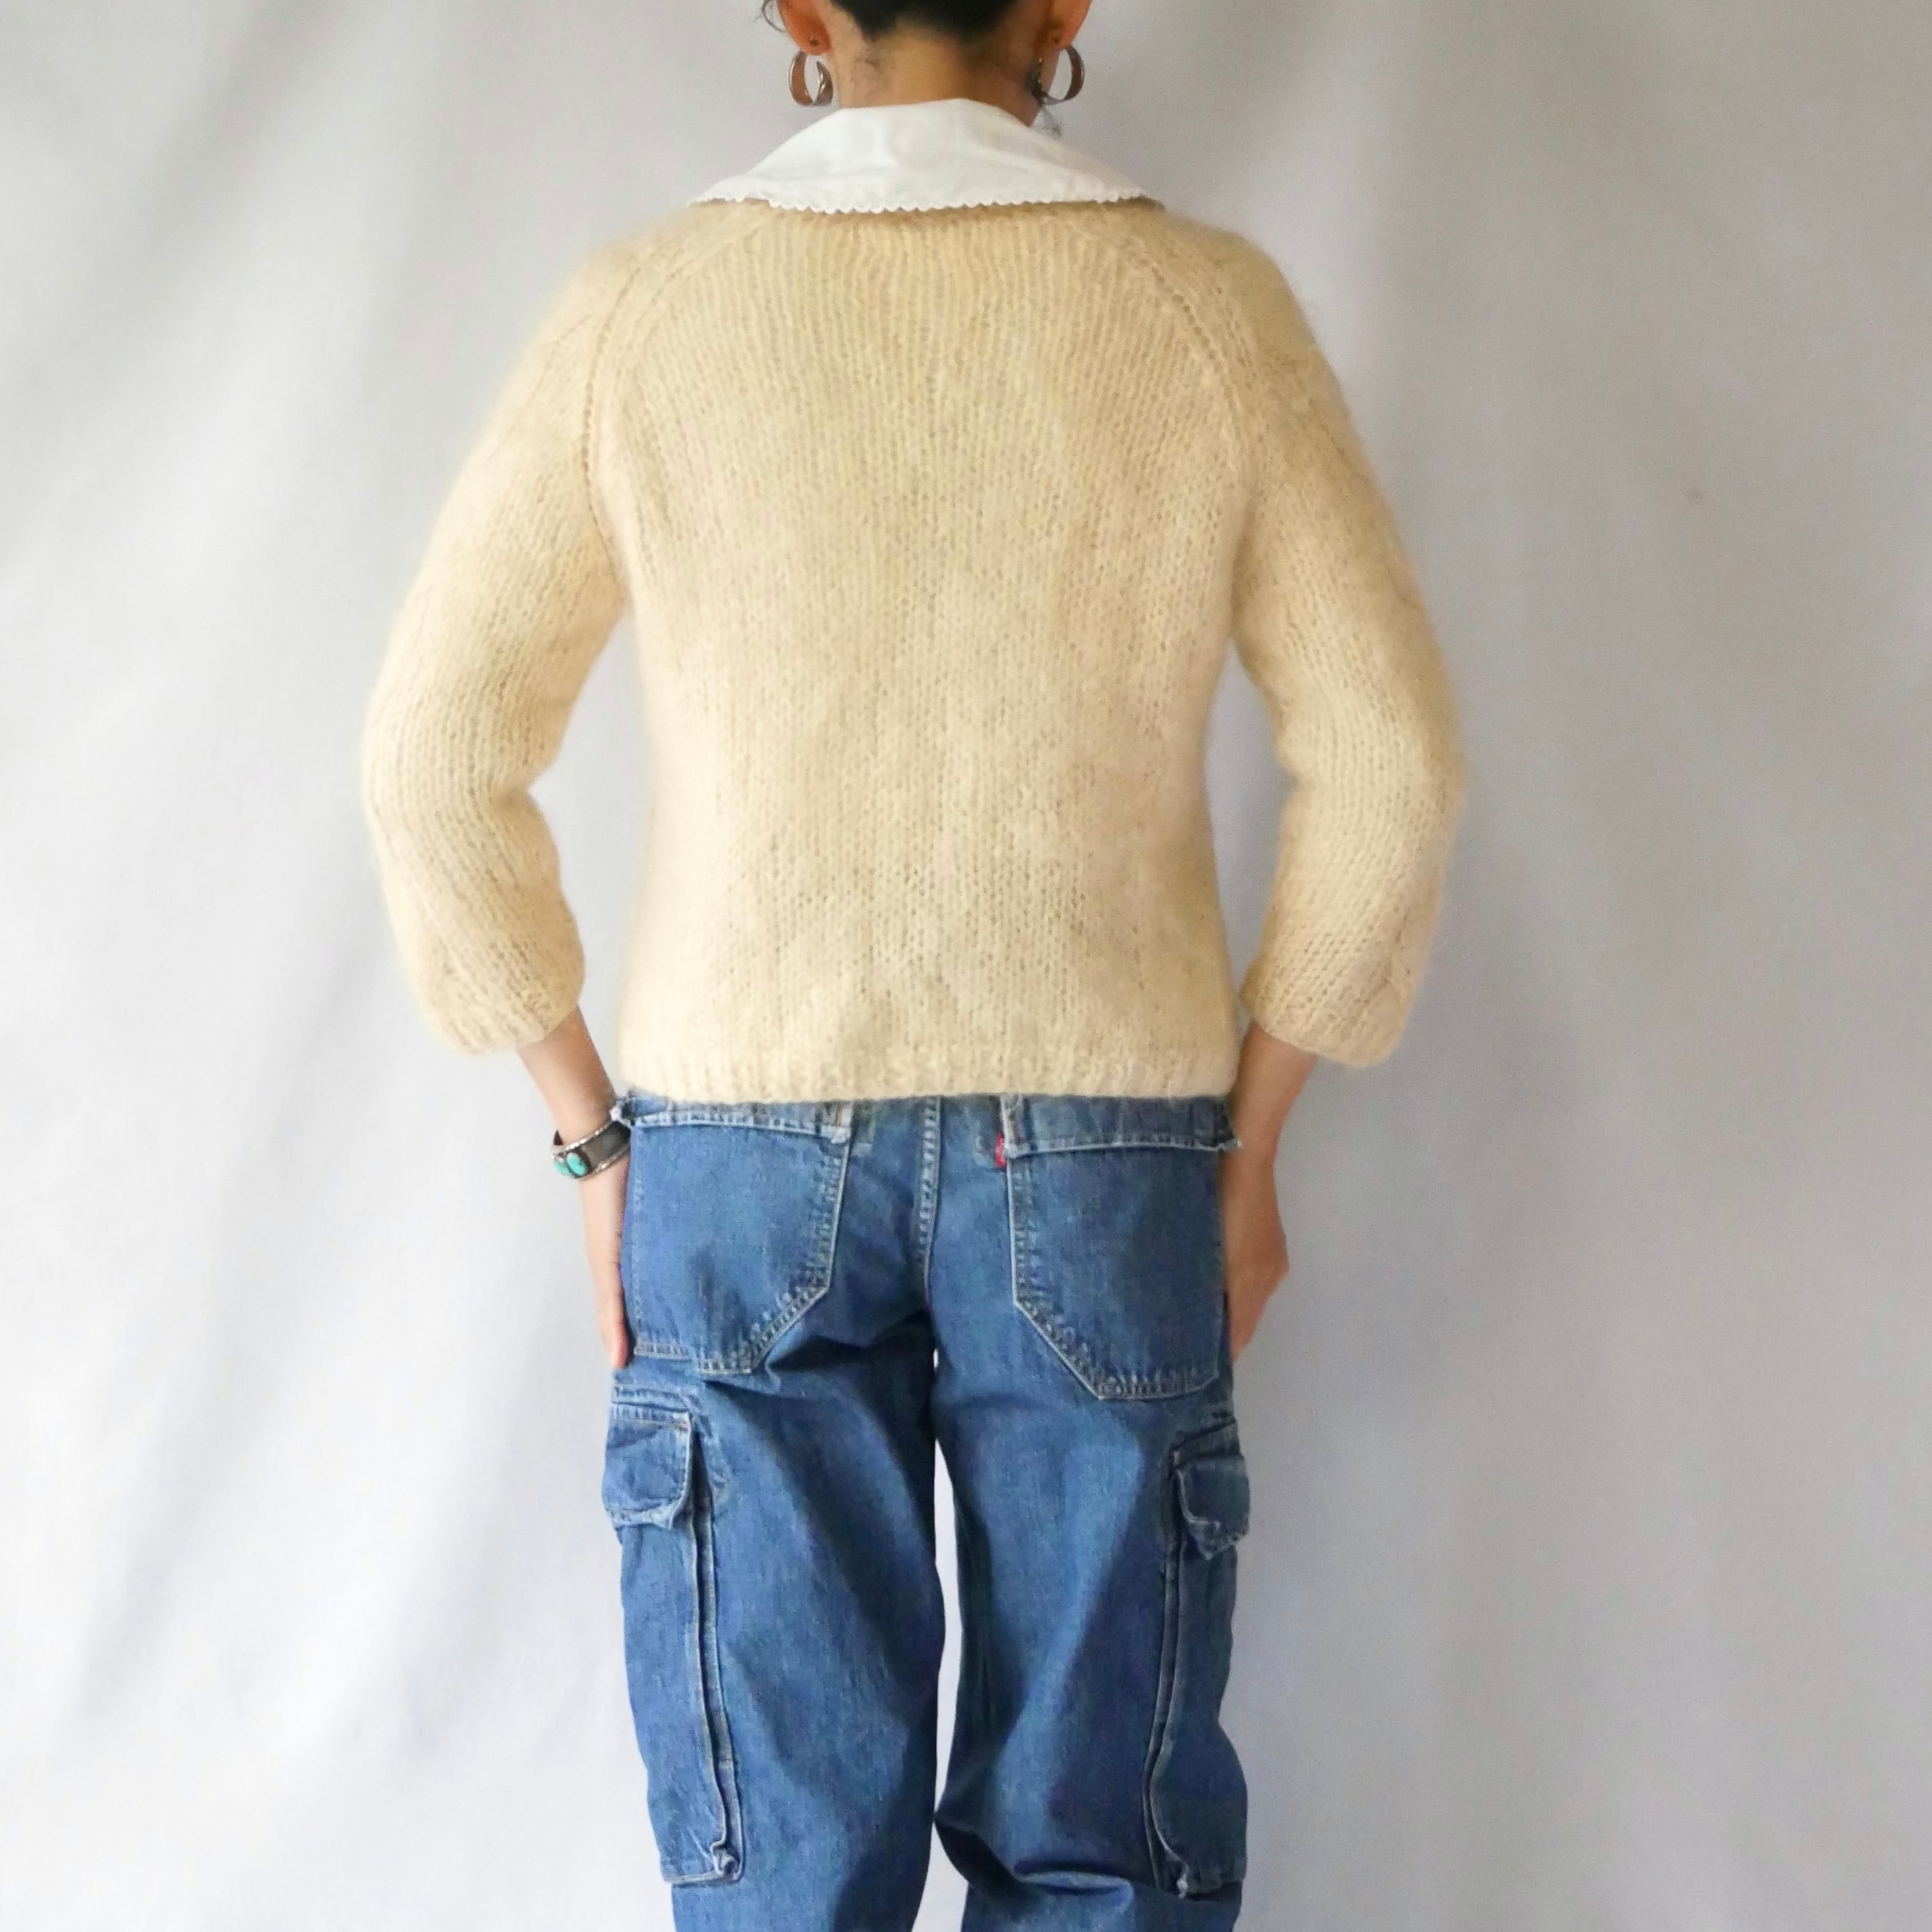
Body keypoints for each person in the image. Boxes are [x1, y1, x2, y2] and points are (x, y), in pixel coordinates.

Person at [357, 1, 1468, 1925]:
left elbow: (431, 762)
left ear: (801, 10)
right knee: (1102, 1859)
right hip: (1109, 1157)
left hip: (734, 1151)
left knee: (784, 1874)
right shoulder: (1204, 311)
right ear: (1065, 7)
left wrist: (593, 1141)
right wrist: (1256, 1135)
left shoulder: (646, 313)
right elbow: (1396, 764)